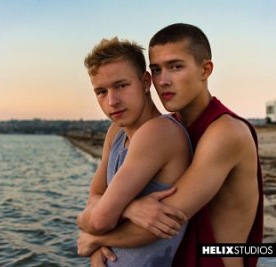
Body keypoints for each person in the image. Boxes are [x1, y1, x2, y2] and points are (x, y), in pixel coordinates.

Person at [77, 23, 263, 267]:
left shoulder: (225, 132)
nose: (163, 81)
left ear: (205, 69)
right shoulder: (170, 126)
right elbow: (104, 202)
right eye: (156, 69)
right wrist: (128, 209)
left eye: (175, 67)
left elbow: (163, 221)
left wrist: (95, 240)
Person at [76, 37, 192, 266]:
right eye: (101, 91)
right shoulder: (115, 133)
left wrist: (93, 232)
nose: (112, 101)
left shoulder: (158, 132)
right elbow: (94, 198)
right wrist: (129, 208)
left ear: (145, 81)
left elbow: (97, 220)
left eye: (121, 85)